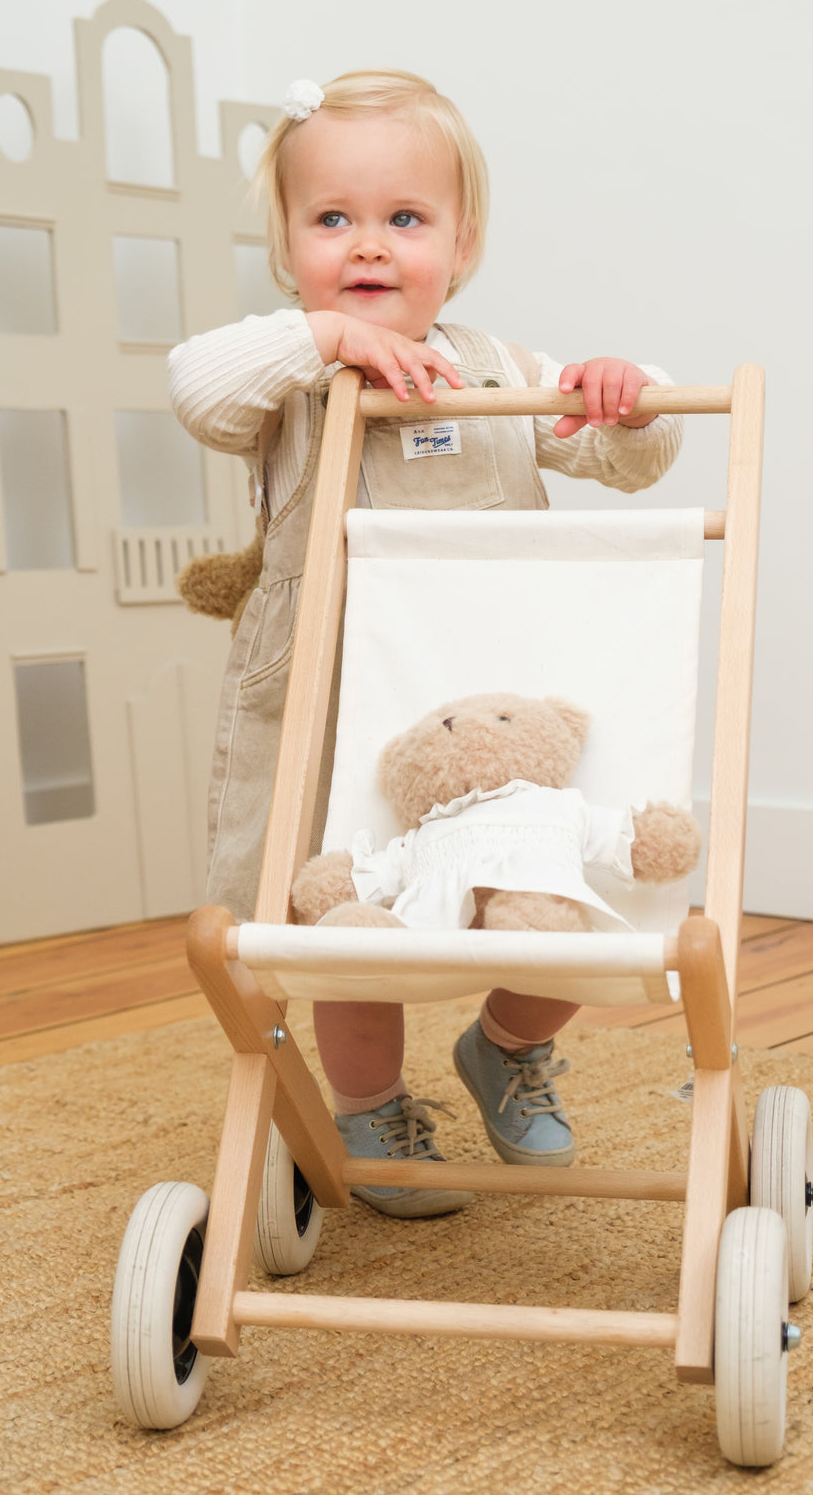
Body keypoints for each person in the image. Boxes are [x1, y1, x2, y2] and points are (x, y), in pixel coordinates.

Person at [169, 69, 682, 1217]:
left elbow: (629, 459)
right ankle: (370, 1113)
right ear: (287, 245)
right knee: (342, 925)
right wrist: (324, 336)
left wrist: (629, 392)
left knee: (570, 906)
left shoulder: (504, 371)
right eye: (331, 218)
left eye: (405, 218)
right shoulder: (290, 379)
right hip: (341, 712)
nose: (369, 244)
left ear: (463, 243)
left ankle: (506, 1045)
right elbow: (196, 387)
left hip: (500, 722)